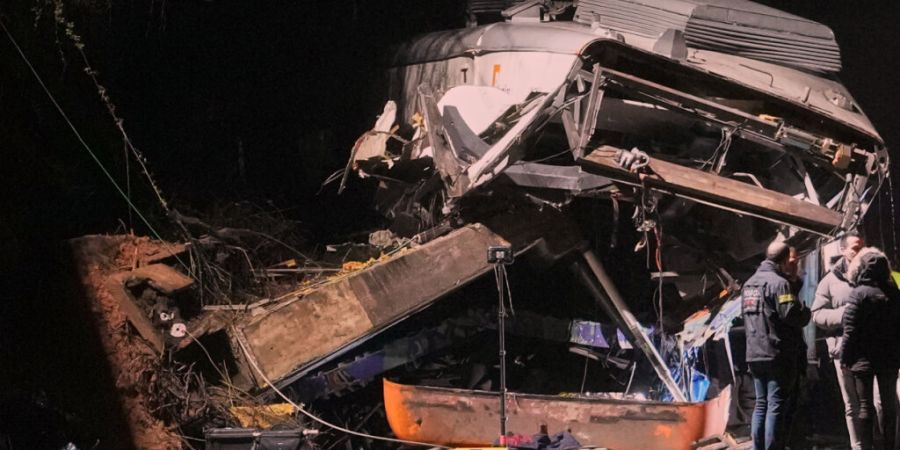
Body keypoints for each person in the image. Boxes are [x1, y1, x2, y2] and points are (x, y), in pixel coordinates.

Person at [742, 241, 811, 450]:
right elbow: (790, 314)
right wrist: (805, 312)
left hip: (754, 353)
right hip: (777, 353)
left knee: (760, 405)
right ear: (782, 260)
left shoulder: (749, 284)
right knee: (775, 405)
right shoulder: (779, 283)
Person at [840, 247, 900, 450]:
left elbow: (850, 330)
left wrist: (845, 357)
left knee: (864, 405)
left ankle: (867, 446)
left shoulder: (858, 294)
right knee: (889, 404)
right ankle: (890, 445)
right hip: (890, 358)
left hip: (862, 359)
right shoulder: (894, 293)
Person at [812, 233, 868, 449]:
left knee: (880, 401)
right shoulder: (829, 281)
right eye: (855, 248)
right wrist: (845, 313)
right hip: (844, 350)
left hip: (873, 349)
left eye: (862, 247)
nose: (859, 252)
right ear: (843, 251)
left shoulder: (873, 275)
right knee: (852, 405)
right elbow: (816, 314)